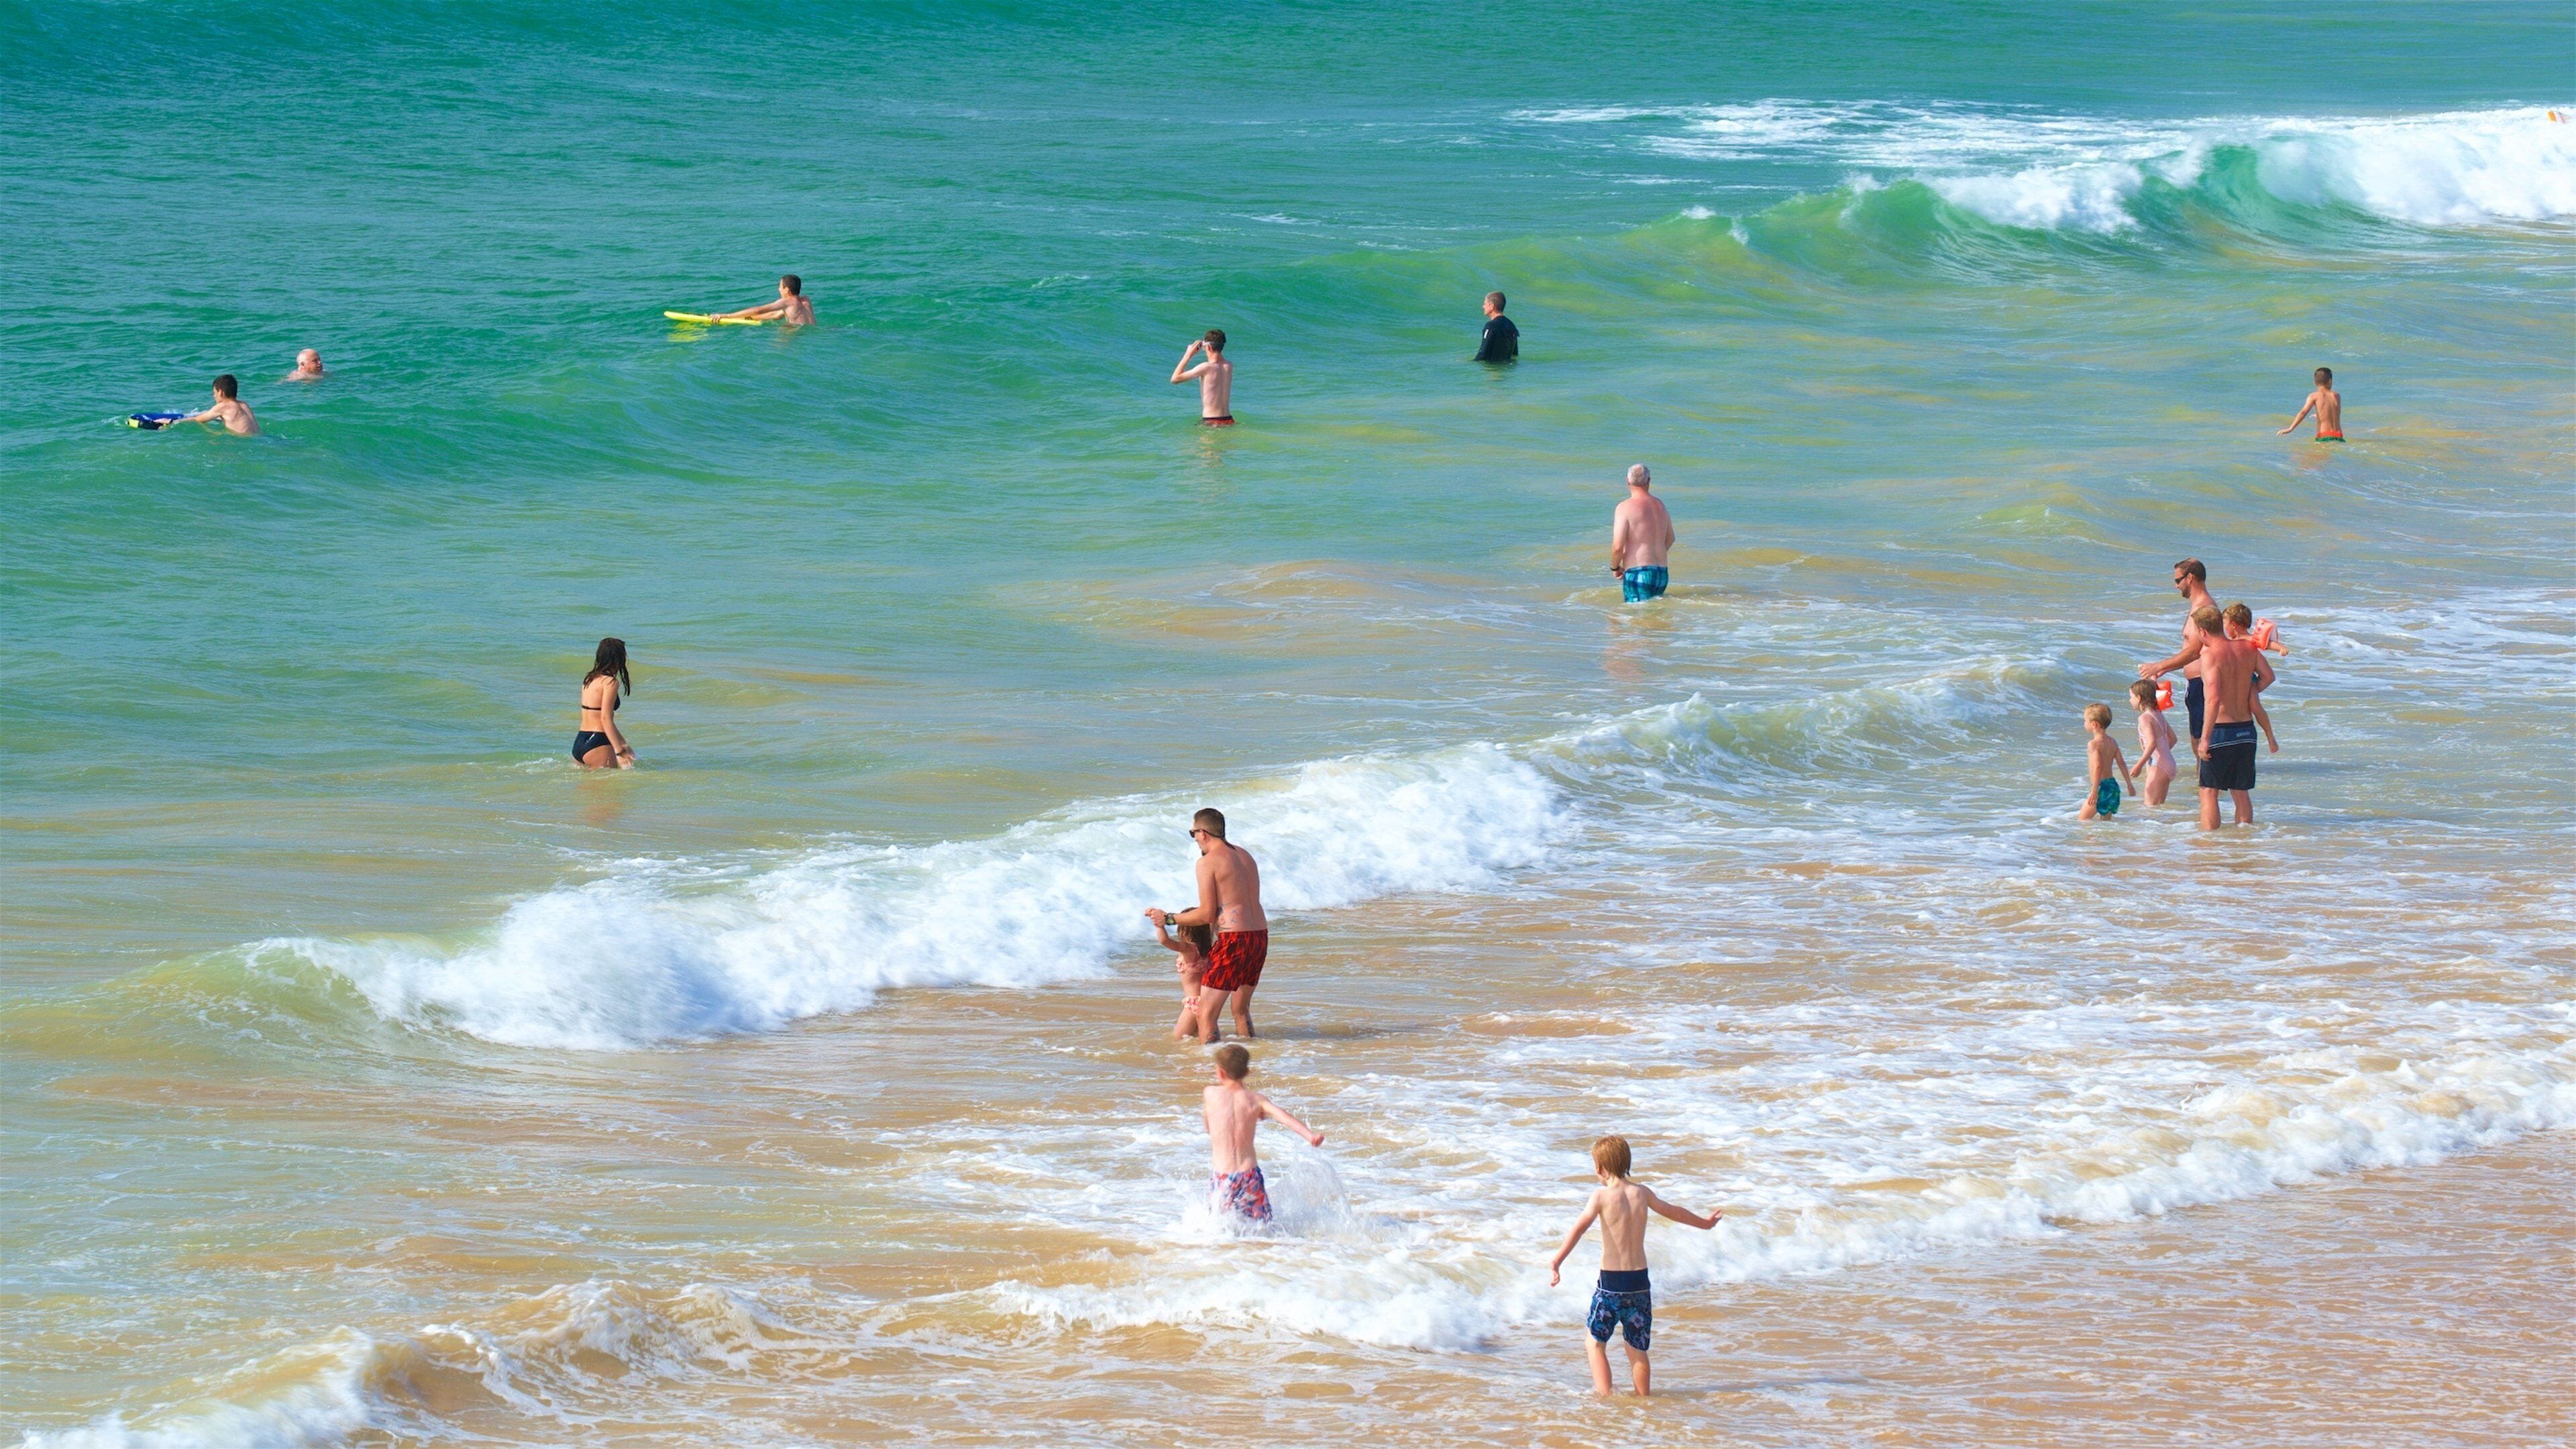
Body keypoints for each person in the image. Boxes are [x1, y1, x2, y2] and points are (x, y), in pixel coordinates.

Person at [1545, 1135, 1720, 1398]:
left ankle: (1605, 1398)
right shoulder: (1643, 1193)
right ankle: (1642, 1400)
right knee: (1637, 1349)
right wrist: (1705, 1224)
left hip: (1611, 1286)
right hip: (1640, 1285)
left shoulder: (1601, 1196)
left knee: (1595, 1344)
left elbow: (1579, 1229)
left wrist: (1558, 1260)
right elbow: (1676, 1212)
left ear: (1600, 1168)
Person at [1159, 808, 1266, 1042]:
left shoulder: (1207, 862)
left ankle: (1210, 1067)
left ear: (1203, 832)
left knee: (1206, 1014)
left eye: (1193, 834)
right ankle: (1252, 1058)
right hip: (1259, 936)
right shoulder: (1246, 856)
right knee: (1241, 1010)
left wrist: (1168, 919)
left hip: (1234, 939)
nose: (1195, 840)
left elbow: (1207, 914)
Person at [1201, 1043, 1322, 1227]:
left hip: (1222, 1177)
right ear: (1247, 1072)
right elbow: (1285, 1117)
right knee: (1262, 1228)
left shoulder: (1210, 1094)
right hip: (1249, 1175)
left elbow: (1208, 1127)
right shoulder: (1256, 1100)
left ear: (1220, 1072)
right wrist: (1310, 1136)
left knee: (1219, 1228)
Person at [2193, 604, 2274, 829]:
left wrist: (2205, 739)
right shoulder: (2248, 649)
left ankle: (2210, 848)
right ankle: (2243, 844)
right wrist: (2251, 691)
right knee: (2241, 793)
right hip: (2247, 731)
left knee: (2209, 792)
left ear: (2203, 632)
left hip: (2222, 732)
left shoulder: (2210, 656)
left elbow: (2213, 699)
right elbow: (2268, 676)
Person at [2139, 558, 2218, 743]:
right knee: (2196, 738)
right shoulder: (2198, 606)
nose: (2176, 586)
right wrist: (2165, 669)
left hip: (2203, 683)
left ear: (2190, 578)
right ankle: (2201, 773)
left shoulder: (2204, 608)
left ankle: (2204, 773)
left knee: (2201, 740)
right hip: (2196, 683)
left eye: (2178, 581)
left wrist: (2158, 666)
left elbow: (2194, 651)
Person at [2222, 602, 2282, 753]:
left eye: (2225, 623)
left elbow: (2268, 644)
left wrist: (2280, 648)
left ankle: (2270, 737)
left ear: (2234, 625)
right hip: (2237, 681)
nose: (2224, 627)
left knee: (2255, 706)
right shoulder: (2229, 642)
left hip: (2250, 680)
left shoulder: (2251, 639)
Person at [1146, 907, 1214, 1040]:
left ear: (1184, 930)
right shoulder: (1207, 947)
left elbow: (1165, 941)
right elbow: (1209, 925)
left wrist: (1160, 926)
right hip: (1207, 1001)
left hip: (1193, 1004)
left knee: (1178, 1039)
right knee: (1198, 1039)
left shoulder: (1187, 948)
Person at [1609, 464, 1674, 602]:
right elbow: (1671, 538)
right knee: (1653, 617)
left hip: (1639, 573)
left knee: (1637, 619)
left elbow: (1618, 546)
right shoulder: (1660, 505)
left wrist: (1615, 567)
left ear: (1627, 481)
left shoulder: (1624, 507)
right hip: (1661, 573)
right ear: (1649, 481)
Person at [574, 637, 637, 769]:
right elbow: (605, 719)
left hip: (580, 742)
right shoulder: (610, 683)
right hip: (598, 743)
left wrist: (623, 744)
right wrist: (619, 752)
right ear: (618, 658)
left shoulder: (589, 679)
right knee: (609, 790)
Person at [2126, 679, 2178, 807]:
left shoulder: (2144, 718)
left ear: (2139, 698)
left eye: (2131, 697)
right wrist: (2163, 753)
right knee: (2159, 807)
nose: (2130, 700)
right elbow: (2173, 738)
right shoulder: (2157, 714)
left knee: (2150, 807)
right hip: (2169, 763)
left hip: (2158, 765)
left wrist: (2139, 765)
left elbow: (2152, 743)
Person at [2078, 702, 2130, 820]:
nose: (2084, 724)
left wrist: (2095, 791)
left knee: (2082, 821)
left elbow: (2098, 767)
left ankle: (2089, 839)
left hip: (2101, 787)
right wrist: (2129, 784)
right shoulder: (2112, 742)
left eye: (2085, 721)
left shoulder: (2093, 744)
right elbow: (2121, 763)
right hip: (2113, 787)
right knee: (2105, 823)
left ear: (2094, 724)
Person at [1171, 329, 1234, 425]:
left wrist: (1188, 355)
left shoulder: (1206, 367)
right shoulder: (1229, 366)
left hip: (1212, 422)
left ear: (1208, 347)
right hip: (1229, 420)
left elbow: (1175, 379)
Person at [714, 274, 815, 325]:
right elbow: (775, 315)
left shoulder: (786, 302)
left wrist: (726, 315)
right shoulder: (806, 300)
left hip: (795, 337)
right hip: (810, 335)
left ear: (787, 290)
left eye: (780, 287)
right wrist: (750, 318)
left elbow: (759, 310)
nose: (779, 289)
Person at [178, 375, 258, 435]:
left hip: (242, 441)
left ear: (220, 392)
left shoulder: (223, 406)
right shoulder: (244, 405)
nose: (214, 396)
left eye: (214, 392)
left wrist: (173, 422)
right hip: (258, 437)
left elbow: (198, 420)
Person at [2278, 366, 2343, 441]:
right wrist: (2319, 415)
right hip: (2338, 436)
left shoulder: (2314, 396)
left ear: (2315, 383)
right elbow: (2333, 412)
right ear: (2330, 381)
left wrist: (2290, 428)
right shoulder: (2336, 396)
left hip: (2324, 436)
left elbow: (2303, 413)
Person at [1474, 290, 1519, 364]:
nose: (1483, 307)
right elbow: (1514, 355)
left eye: (1485, 304)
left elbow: (1483, 353)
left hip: (1492, 369)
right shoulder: (1512, 326)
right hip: (1506, 370)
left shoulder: (1491, 326)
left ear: (1492, 306)